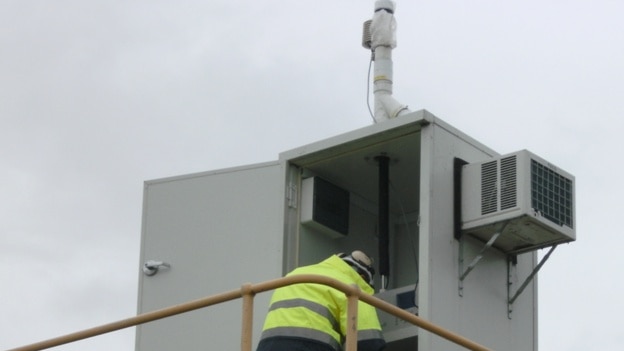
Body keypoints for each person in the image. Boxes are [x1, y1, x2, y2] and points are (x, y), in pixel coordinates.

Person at [256, 250, 386, 351]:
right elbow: (367, 342)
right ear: (363, 277)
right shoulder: (352, 288)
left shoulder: (296, 274)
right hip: (309, 347)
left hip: (267, 346)